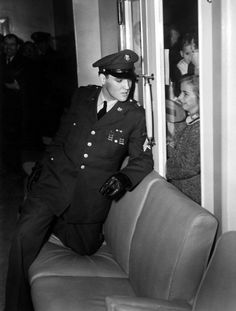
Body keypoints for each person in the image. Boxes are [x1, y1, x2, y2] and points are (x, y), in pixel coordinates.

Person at [4, 49, 154, 311]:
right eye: (119, 80)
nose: (126, 86)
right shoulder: (82, 95)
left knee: (84, 247)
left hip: (88, 197)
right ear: (103, 76)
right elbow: (62, 136)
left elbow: (143, 159)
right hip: (54, 181)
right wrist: (42, 165)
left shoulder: (134, 115)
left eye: (130, 80)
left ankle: (56, 223)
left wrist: (124, 177)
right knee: (23, 237)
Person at [166, 75, 200, 204]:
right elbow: (178, 148)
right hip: (180, 190)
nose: (179, 97)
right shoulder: (191, 120)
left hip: (190, 195)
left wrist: (164, 167)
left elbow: (187, 167)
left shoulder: (200, 128)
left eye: (185, 94)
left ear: (200, 97)